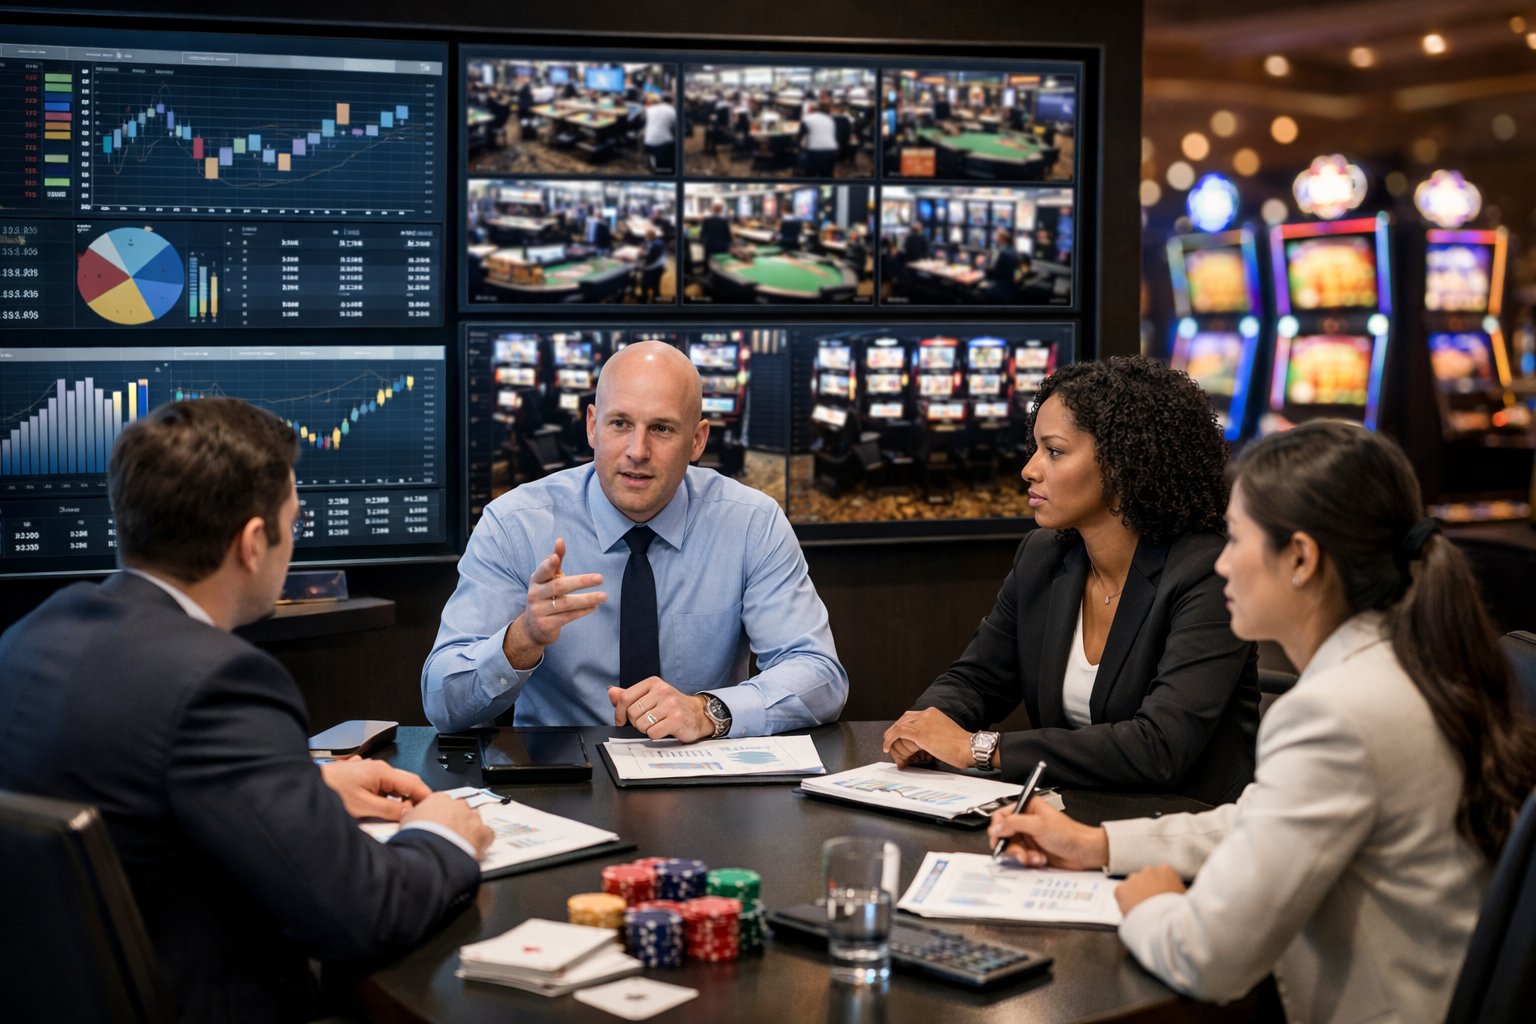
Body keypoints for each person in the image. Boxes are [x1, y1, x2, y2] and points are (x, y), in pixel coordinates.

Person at [990, 421, 1536, 1024]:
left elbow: (1205, 958)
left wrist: (1150, 902)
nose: (1220, 563)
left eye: (1236, 540)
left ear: (1300, 557)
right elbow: (1261, 820)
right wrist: (1099, 844)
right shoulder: (1411, 659)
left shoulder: (1334, 713)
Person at [0, 398, 492, 1023]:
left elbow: (131, 784)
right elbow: (363, 915)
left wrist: (302, 783)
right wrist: (443, 834)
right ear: (254, 542)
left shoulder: (34, 633)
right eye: (294, 519)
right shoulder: (220, 681)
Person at [423, 341, 848, 739]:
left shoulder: (751, 523)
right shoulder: (515, 524)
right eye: (620, 424)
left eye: (661, 428)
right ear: (592, 426)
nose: (637, 450)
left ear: (697, 440)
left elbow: (820, 676)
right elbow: (442, 703)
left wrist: (708, 711)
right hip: (560, 782)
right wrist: (521, 639)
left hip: (704, 777)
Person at [882, 357, 1259, 804]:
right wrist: (926, 724)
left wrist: (979, 748)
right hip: (1068, 815)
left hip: (1182, 834)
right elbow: (978, 679)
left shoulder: (1208, 574)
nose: (1030, 469)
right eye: (1035, 448)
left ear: (1122, 465)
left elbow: (1159, 747)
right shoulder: (1044, 555)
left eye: (1054, 451)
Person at [798, 101, 839, 177]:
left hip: (815, 150)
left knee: (810, 175)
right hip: (832, 150)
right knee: (827, 175)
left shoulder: (807, 118)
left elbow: (801, 136)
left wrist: (800, 148)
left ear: (812, 110)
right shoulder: (830, 119)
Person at [983, 227, 1020, 303]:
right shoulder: (1014, 250)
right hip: (1010, 289)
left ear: (1001, 238)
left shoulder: (1000, 252)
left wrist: (985, 265)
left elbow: (991, 272)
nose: (994, 238)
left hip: (997, 290)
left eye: (996, 236)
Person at [641, 92, 676, 173]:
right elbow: (675, 128)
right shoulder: (672, 111)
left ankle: (652, 166)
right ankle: (668, 171)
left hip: (648, 142)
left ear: (660, 100)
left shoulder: (650, 109)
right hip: (663, 145)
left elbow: (644, 124)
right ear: (672, 101)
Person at [700, 200, 733, 266]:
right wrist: (730, 242)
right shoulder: (724, 221)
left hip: (709, 245)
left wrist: (704, 242)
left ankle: (708, 273)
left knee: (709, 262)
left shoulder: (706, 220)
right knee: (721, 263)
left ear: (712, 209)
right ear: (721, 210)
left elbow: (702, 234)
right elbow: (728, 236)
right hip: (722, 246)